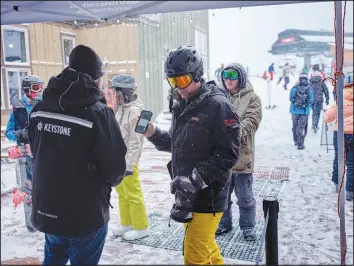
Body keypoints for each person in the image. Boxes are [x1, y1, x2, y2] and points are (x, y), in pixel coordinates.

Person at [28, 45, 127, 265]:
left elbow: (37, 151)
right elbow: (115, 170)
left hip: (47, 209)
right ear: (95, 79)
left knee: (53, 258)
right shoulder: (98, 114)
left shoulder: (41, 107)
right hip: (84, 215)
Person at [143, 46, 240, 265]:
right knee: (207, 248)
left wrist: (196, 179)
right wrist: (153, 133)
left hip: (209, 196)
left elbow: (229, 153)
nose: (178, 87)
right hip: (186, 194)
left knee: (194, 255)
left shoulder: (218, 105)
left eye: (183, 80)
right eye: (172, 81)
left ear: (197, 75)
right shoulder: (183, 104)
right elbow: (178, 143)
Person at [215, 63, 262, 239]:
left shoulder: (252, 99)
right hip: (221, 158)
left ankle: (248, 227)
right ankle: (224, 224)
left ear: (240, 77)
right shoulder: (218, 97)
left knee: (245, 198)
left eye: (232, 75)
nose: (228, 79)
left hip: (241, 156)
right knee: (222, 196)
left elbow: (251, 122)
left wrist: (230, 132)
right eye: (225, 75)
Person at [109, 74, 149, 240]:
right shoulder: (121, 109)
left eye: (116, 92)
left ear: (125, 92)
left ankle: (141, 227)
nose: (114, 96)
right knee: (123, 193)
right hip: (119, 161)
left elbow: (136, 141)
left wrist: (129, 165)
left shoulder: (138, 113)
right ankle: (127, 223)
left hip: (129, 163)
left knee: (133, 194)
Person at [6, 75, 44, 232]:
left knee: (43, 188)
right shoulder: (20, 107)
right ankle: (31, 222)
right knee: (28, 188)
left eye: (41, 87)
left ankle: (44, 219)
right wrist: (19, 134)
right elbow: (9, 132)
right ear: (27, 89)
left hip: (42, 154)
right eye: (36, 87)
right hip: (26, 156)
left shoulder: (44, 105)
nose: (39, 91)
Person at [324, 72, 353, 201]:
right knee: (352, 163)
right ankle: (350, 191)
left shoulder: (341, 98)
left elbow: (328, 118)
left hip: (340, 132)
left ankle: (337, 184)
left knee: (338, 159)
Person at [289, 72, 313, 150]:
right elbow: (310, 100)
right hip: (305, 111)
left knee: (295, 126)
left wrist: (296, 102)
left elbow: (291, 98)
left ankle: (296, 140)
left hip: (294, 111)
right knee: (302, 127)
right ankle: (300, 143)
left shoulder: (295, 87)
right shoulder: (309, 88)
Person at [309, 68, 329, 133]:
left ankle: (314, 124)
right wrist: (327, 99)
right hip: (319, 100)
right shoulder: (321, 83)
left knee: (314, 112)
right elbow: (326, 91)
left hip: (312, 100)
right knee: (317, 113)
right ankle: (315, 125)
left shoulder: (310, 82)